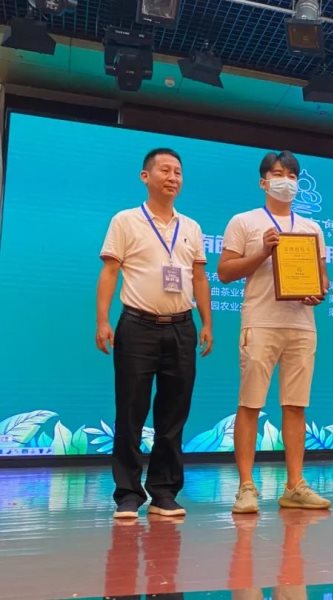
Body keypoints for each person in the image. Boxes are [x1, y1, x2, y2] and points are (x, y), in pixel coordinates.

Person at [96, 147, 213, 519]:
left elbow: (199, 277)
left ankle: (164, 492)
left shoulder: (191, 227)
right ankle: (128, 494)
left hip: (182, 327)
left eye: (178, 171)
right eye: (165, 170)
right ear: (145, 176)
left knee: (173, 415)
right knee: (130, 412)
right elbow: (110, 271)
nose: (173, 177)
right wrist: (102, 320)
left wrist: (207, 323)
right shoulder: (125, 220)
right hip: (137, 326)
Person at [218, 150, 331, 512]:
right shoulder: (244, 221)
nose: (286, 181)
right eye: (279, 174)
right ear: (263, 182)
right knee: (250, 403)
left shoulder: (312, 228)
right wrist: (263, 252)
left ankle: (295, 485)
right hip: (261, 322)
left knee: (296, 406)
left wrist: (318, 291)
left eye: (292, 176)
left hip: (301, 325)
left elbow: (322, 278)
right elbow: (225, 272)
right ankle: (246, 486)